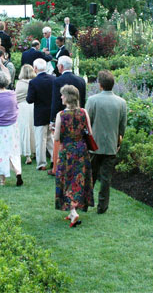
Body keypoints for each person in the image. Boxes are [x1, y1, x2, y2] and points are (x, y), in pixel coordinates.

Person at [86, 71, 127, 215]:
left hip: (94, 145)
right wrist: (118, 140)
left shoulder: (92, 100)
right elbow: (122, 126)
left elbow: (87, 122)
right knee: (106, 178)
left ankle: (85, 202)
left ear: (100, 84)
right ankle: (102, 207)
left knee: (90, 175)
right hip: (111, 144)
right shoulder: (121, 102)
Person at [53, 85, 94, 227]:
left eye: (62, 95)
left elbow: (57, 136)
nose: (61, 97)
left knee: (66, 178)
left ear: (68, 97)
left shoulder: (61, 115)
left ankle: (73, 212)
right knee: (78, 179)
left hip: (67, 151)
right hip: (81, 150)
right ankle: (72, 210)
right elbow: (90, 132)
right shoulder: (83, 112)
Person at [0, 71, 23, 186]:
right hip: (12, 126)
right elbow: (16, 108)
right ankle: (18, 171)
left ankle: (2, 180)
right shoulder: (12, 94)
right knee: (14, 149)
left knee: (0, 152)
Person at [50, 56, 86, 174]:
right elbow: (83, 100)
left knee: (61, 143)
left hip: (64, 117)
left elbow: (55, 102)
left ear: (61, 66)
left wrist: (52, 120)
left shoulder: (57, 81)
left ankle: (58, 166)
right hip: (78, 113)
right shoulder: (81, 80)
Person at [27, 58, 55, 171]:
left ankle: (41, 163)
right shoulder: (54, 79)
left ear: (35, 68)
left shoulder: (33, 82)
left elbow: (30, 99)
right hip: (51, 112)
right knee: (50, 138)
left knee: (40, 140)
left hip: (40, 113)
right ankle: (55, 158)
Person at [15, 64, 36, 165]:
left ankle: (27, 155)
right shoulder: (35, 82)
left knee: (24, 130)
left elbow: (16, 96)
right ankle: (35, 151)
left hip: (22, 107)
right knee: (33, 129)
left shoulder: (19, 83)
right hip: (33, 107)